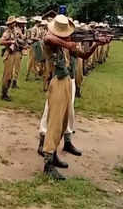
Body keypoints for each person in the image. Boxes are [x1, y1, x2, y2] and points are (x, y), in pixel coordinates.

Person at [39, 15, 105, 180]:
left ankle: (53, 155)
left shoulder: (63, 45)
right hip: (58, 82)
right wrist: (67, 43)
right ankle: (48, 162)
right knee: (54, 122)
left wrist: (96, 44)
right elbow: (47, 38)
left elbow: (84, 56)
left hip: (68, 82)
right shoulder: (51, 42)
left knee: (62, 123)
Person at [0, 16, 18, 101]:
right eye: (13, 22)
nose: (14, 24)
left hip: (13, 53)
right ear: (10, 24)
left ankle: (6, 92)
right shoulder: (7, 32)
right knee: (7, 75)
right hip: (8, 54)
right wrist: (10, 42)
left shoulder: (14, 31)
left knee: (10, 74)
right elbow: (1, 42)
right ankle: (4, 93)